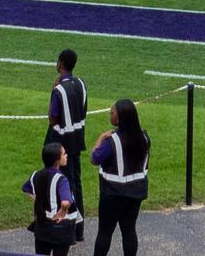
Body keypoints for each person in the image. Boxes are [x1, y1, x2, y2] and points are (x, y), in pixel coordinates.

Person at [89, 99, 148, 256]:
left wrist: (100, 138)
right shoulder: (144, 137)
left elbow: (95, 158)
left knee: (104, 233)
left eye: (112, 112)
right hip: (135, 192)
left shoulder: (111, 141)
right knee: (129, 230)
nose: (110, 113)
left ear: (120, 118)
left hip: (113, 194)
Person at [46, 50, 89, 210]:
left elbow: (52, 118)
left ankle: (68, 222)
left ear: (60, 64)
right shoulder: (81, 84)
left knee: (64, 183)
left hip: (62, 143)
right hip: (78, 140)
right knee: (76, 182)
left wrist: (53, 92)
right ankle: (79, 228)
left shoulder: (59, 90)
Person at [23, 141, 81, 256]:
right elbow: (65, 202)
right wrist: (62, 211)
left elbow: (26, 189)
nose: (67, 155)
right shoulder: (62, 180)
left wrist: (38, 200)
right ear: (57, 160)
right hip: (61, 229)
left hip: (42, 225)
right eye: (64, 154)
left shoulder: (35, 175)